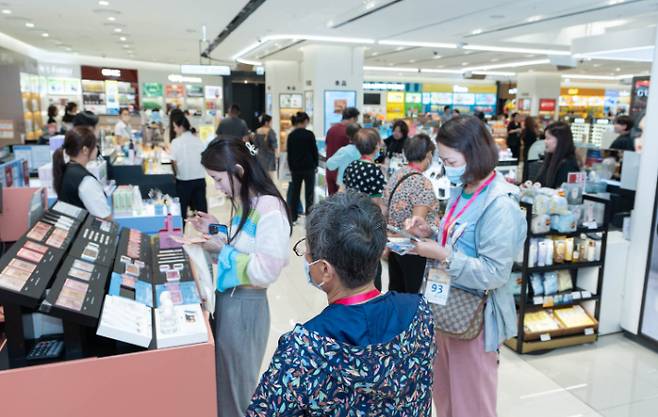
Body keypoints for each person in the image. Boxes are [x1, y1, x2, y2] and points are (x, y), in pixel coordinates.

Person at [247, 191, 436, 416]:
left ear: (325, 269)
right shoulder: (419, 313)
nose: (306, 260)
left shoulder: (304, 348)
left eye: (308, 254)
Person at [406, 116, 527, 417]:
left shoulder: (500, 205)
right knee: (444, 395)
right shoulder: (463, 188)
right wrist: (430, 231)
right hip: (444, 308)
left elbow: (495, 273)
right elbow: (460, 239)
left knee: (472, 403)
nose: (446, 168)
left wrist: (443, 255)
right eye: (443, 160)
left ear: (474, 154)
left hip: (474, 318)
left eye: (451, 160)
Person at [187, 137, 291, 417]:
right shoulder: (249, 202)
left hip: (246, 306)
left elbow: (266, 269)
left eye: (219, 179)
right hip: (232, 303)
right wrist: (214, 228)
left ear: (239, 171)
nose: (217, 187)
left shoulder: (270, 209)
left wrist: (223, 251)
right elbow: (242, 241)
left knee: (238, 390)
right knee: (227, 383)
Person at [384, 133, 439, 294]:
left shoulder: (398, 174)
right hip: (413, 249)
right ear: (428, 154)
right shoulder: (422, 182)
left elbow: (385, 207)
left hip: (395, 244)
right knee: (413, 294)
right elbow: (418, 223)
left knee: (396, 291)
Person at [52, 126, 111, 219]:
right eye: (95, 146)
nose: (96, 149)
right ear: (85, 150)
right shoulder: (86, 181)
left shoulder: (66, 169)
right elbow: (105, 218)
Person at [170, 114, 207, 220]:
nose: (174, 130)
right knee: (202, 212)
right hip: (200, 179)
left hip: (184, 181)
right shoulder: (198, 140)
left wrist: (175, 175)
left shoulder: (176, 142)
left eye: (175, 127)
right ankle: (207, 235)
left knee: (181, 212)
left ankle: (180, 234)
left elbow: (173, 161)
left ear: (181, 127)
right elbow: (204, 158)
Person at [286, 112, 319, 223]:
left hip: (295, 169)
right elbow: (314, 151)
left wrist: (291, 167)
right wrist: (316, 164)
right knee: (309, 193)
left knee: (295, 192)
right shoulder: (309, 134)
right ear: (305, 121)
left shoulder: (291, 135)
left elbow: (289, 153)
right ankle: (309, 216)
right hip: (309, 167)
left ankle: (293, 217)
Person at [343, 128, 386, 208]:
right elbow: (376, 201)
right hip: (366, 214)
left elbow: (345, 188)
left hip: (350, 210)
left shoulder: (351, 165)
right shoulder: (375, 170)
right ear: (377, 145)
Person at [325, 107, 360, 195]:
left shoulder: (331, 130)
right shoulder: (349, 133)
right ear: (352, 119)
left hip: (330, 171)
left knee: (331, 203)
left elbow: (327, 147)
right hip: (342, 176)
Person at [535, 121, 580, 189]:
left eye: (548, 138)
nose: (545, 141)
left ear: (560, 140)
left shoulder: (568, 165)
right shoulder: (551, 158)